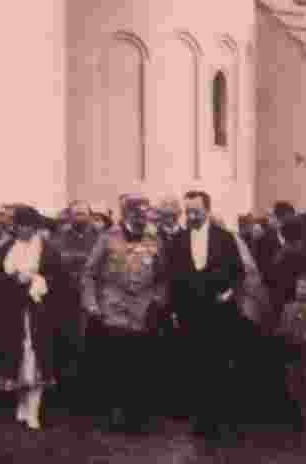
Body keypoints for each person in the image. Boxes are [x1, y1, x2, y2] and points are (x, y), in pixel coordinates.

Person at [82, 194, 168, 433]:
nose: (143, 217)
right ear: (126, 213)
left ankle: (138, 416)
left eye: (145, 212)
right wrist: (91, 303)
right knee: (116, 365)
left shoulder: (154, 239)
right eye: (138, 212)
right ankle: (114, 414)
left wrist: (159, 300)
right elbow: (89, 273)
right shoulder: (107, 238)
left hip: (143, 311)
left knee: (140, 366)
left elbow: (163, 276)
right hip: (114, 310)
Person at [165, 190, 244, 444]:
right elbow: (172, 278)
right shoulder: (177, 240)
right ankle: (200, 420)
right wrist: (175, 310)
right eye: (188, 211)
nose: (191, 215)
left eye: (196, 210)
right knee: (194, 364)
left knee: (219, 364)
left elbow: (239, 272)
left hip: (219, 311)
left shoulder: (225, 238)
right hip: (190, 312)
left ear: (207, 210)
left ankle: (221, 419)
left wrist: (229, 293)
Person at [0, 206, 64, 430]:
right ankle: (22, 405)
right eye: (18, 225)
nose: (21, 229)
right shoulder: (7, 247)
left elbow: (59, 278)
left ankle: (34, 411)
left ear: (34, 226)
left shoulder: (47, 249)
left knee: (36, 356)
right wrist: (12, 279)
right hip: (12, 311)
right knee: (16, 357)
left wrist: (37, 280)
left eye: (25, 225)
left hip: (38, 311)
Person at [47, 201, 100, 411]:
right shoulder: (58, 237)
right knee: (67, 343)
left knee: (91, 344)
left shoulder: (100, 236)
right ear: (69, 216)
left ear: (90, 215)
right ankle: (67, 395)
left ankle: (89, 394)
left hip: (91, 297)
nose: (80, 218)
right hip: (65, 297)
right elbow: (54, 262)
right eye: (76, 214)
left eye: (83, 214)